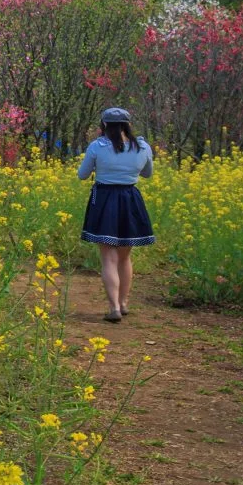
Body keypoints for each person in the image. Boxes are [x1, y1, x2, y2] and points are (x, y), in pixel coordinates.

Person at [77, 107, 155, 323]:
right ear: (128, 125)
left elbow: (82, 175)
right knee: (125, 256)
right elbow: (148, 173)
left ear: (104, 125)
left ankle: (114, 308)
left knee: (108, 258)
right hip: (130, 199)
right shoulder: (142, 146)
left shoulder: (97, 147)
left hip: (104, 200)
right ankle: (123, 303)